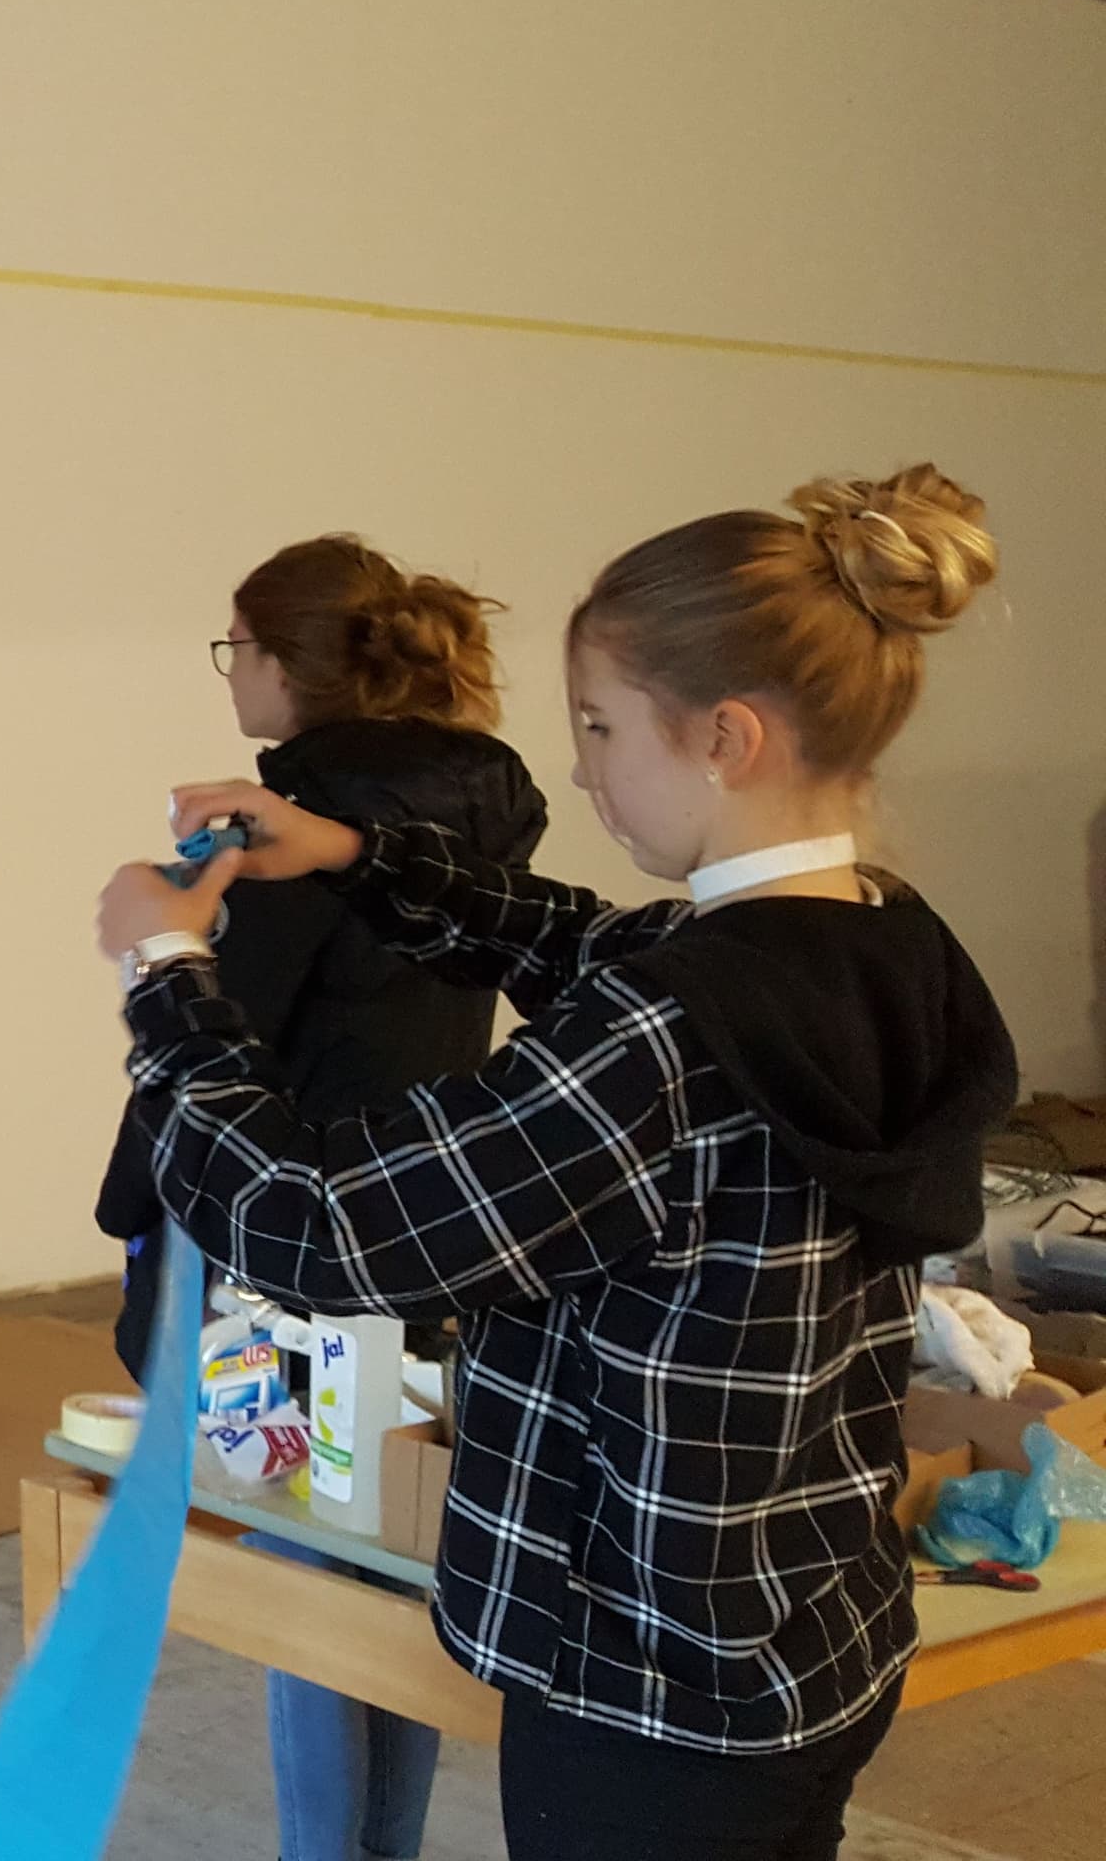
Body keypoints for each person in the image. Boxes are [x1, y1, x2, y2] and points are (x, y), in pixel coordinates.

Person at [98, 468, 1015, 1861]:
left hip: (642, 1683)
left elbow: (319, 1224)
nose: (581, 768)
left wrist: (165, 972)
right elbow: (584, 942)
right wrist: (352, 854)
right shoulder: (880, 938)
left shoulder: (666, 1031)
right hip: (808, 1628)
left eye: (600, 724)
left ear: (728, 736)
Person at [96, 537, 546, 1861]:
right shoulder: (478, 812)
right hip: (424, 1232)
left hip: (282, 1251)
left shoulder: (278, 833)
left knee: (305, 1576)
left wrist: (138, 1214)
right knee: (394, 1568)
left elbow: (220, 1042)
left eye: (242, 650)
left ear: (295, 669)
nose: (235, 678)